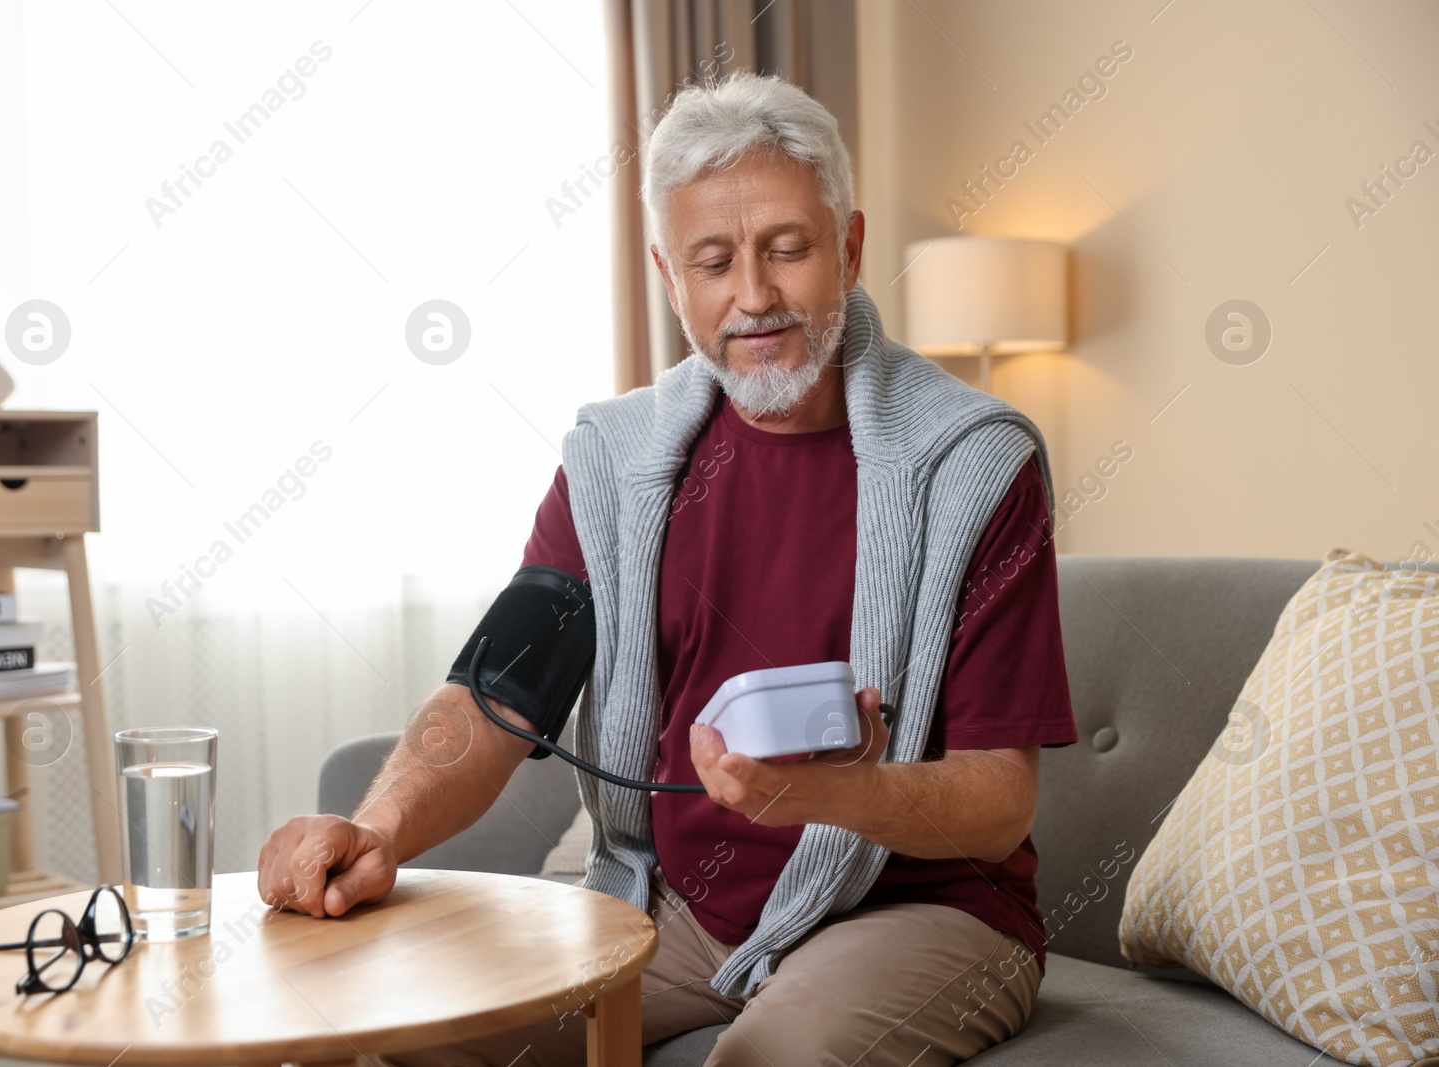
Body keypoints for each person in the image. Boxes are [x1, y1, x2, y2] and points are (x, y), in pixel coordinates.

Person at [258, 70, 1077, 1066]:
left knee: (769, 1056)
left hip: (921, 909)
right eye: (714, 260)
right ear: (668, 274)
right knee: (410, 1023)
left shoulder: (975, 461)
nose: (754, 295)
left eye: (787, 249)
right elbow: (495, 695)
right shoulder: (617, 459)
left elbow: (999, 803)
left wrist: (827, 794)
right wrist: (377, 823)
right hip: (682, 909)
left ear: (849, 246)